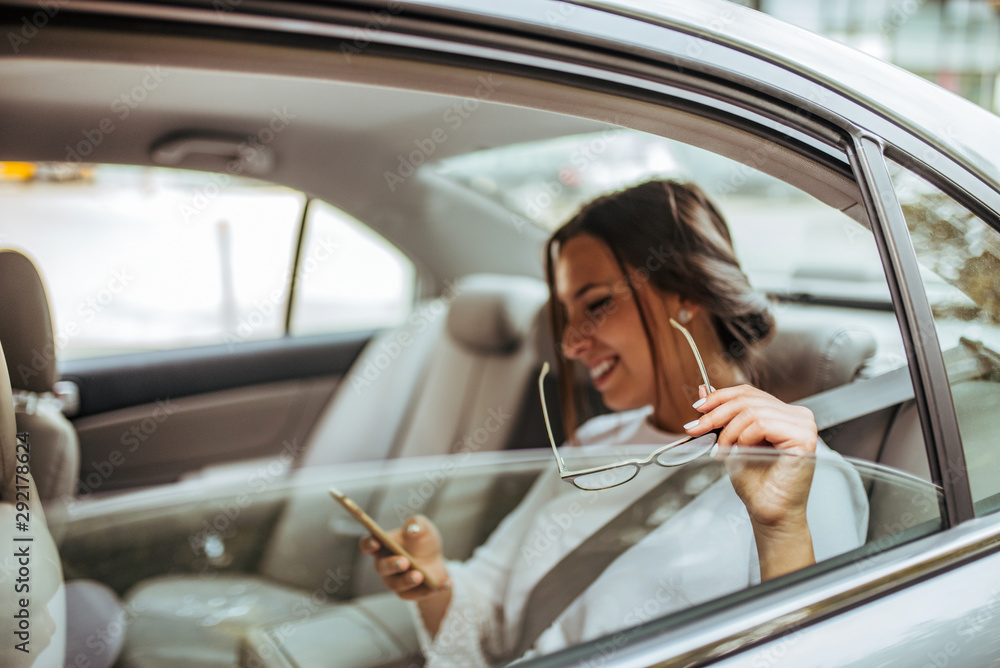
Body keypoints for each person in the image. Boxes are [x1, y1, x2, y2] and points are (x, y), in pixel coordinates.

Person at [360, 180, 868, 666]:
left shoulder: (801, 483)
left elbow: (806, 654)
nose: (571, 344)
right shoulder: (594, 446)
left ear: (686, 294)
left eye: (598, 304)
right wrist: (434, 580)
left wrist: (780, 530)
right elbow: (490, 612)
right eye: (566, 313)